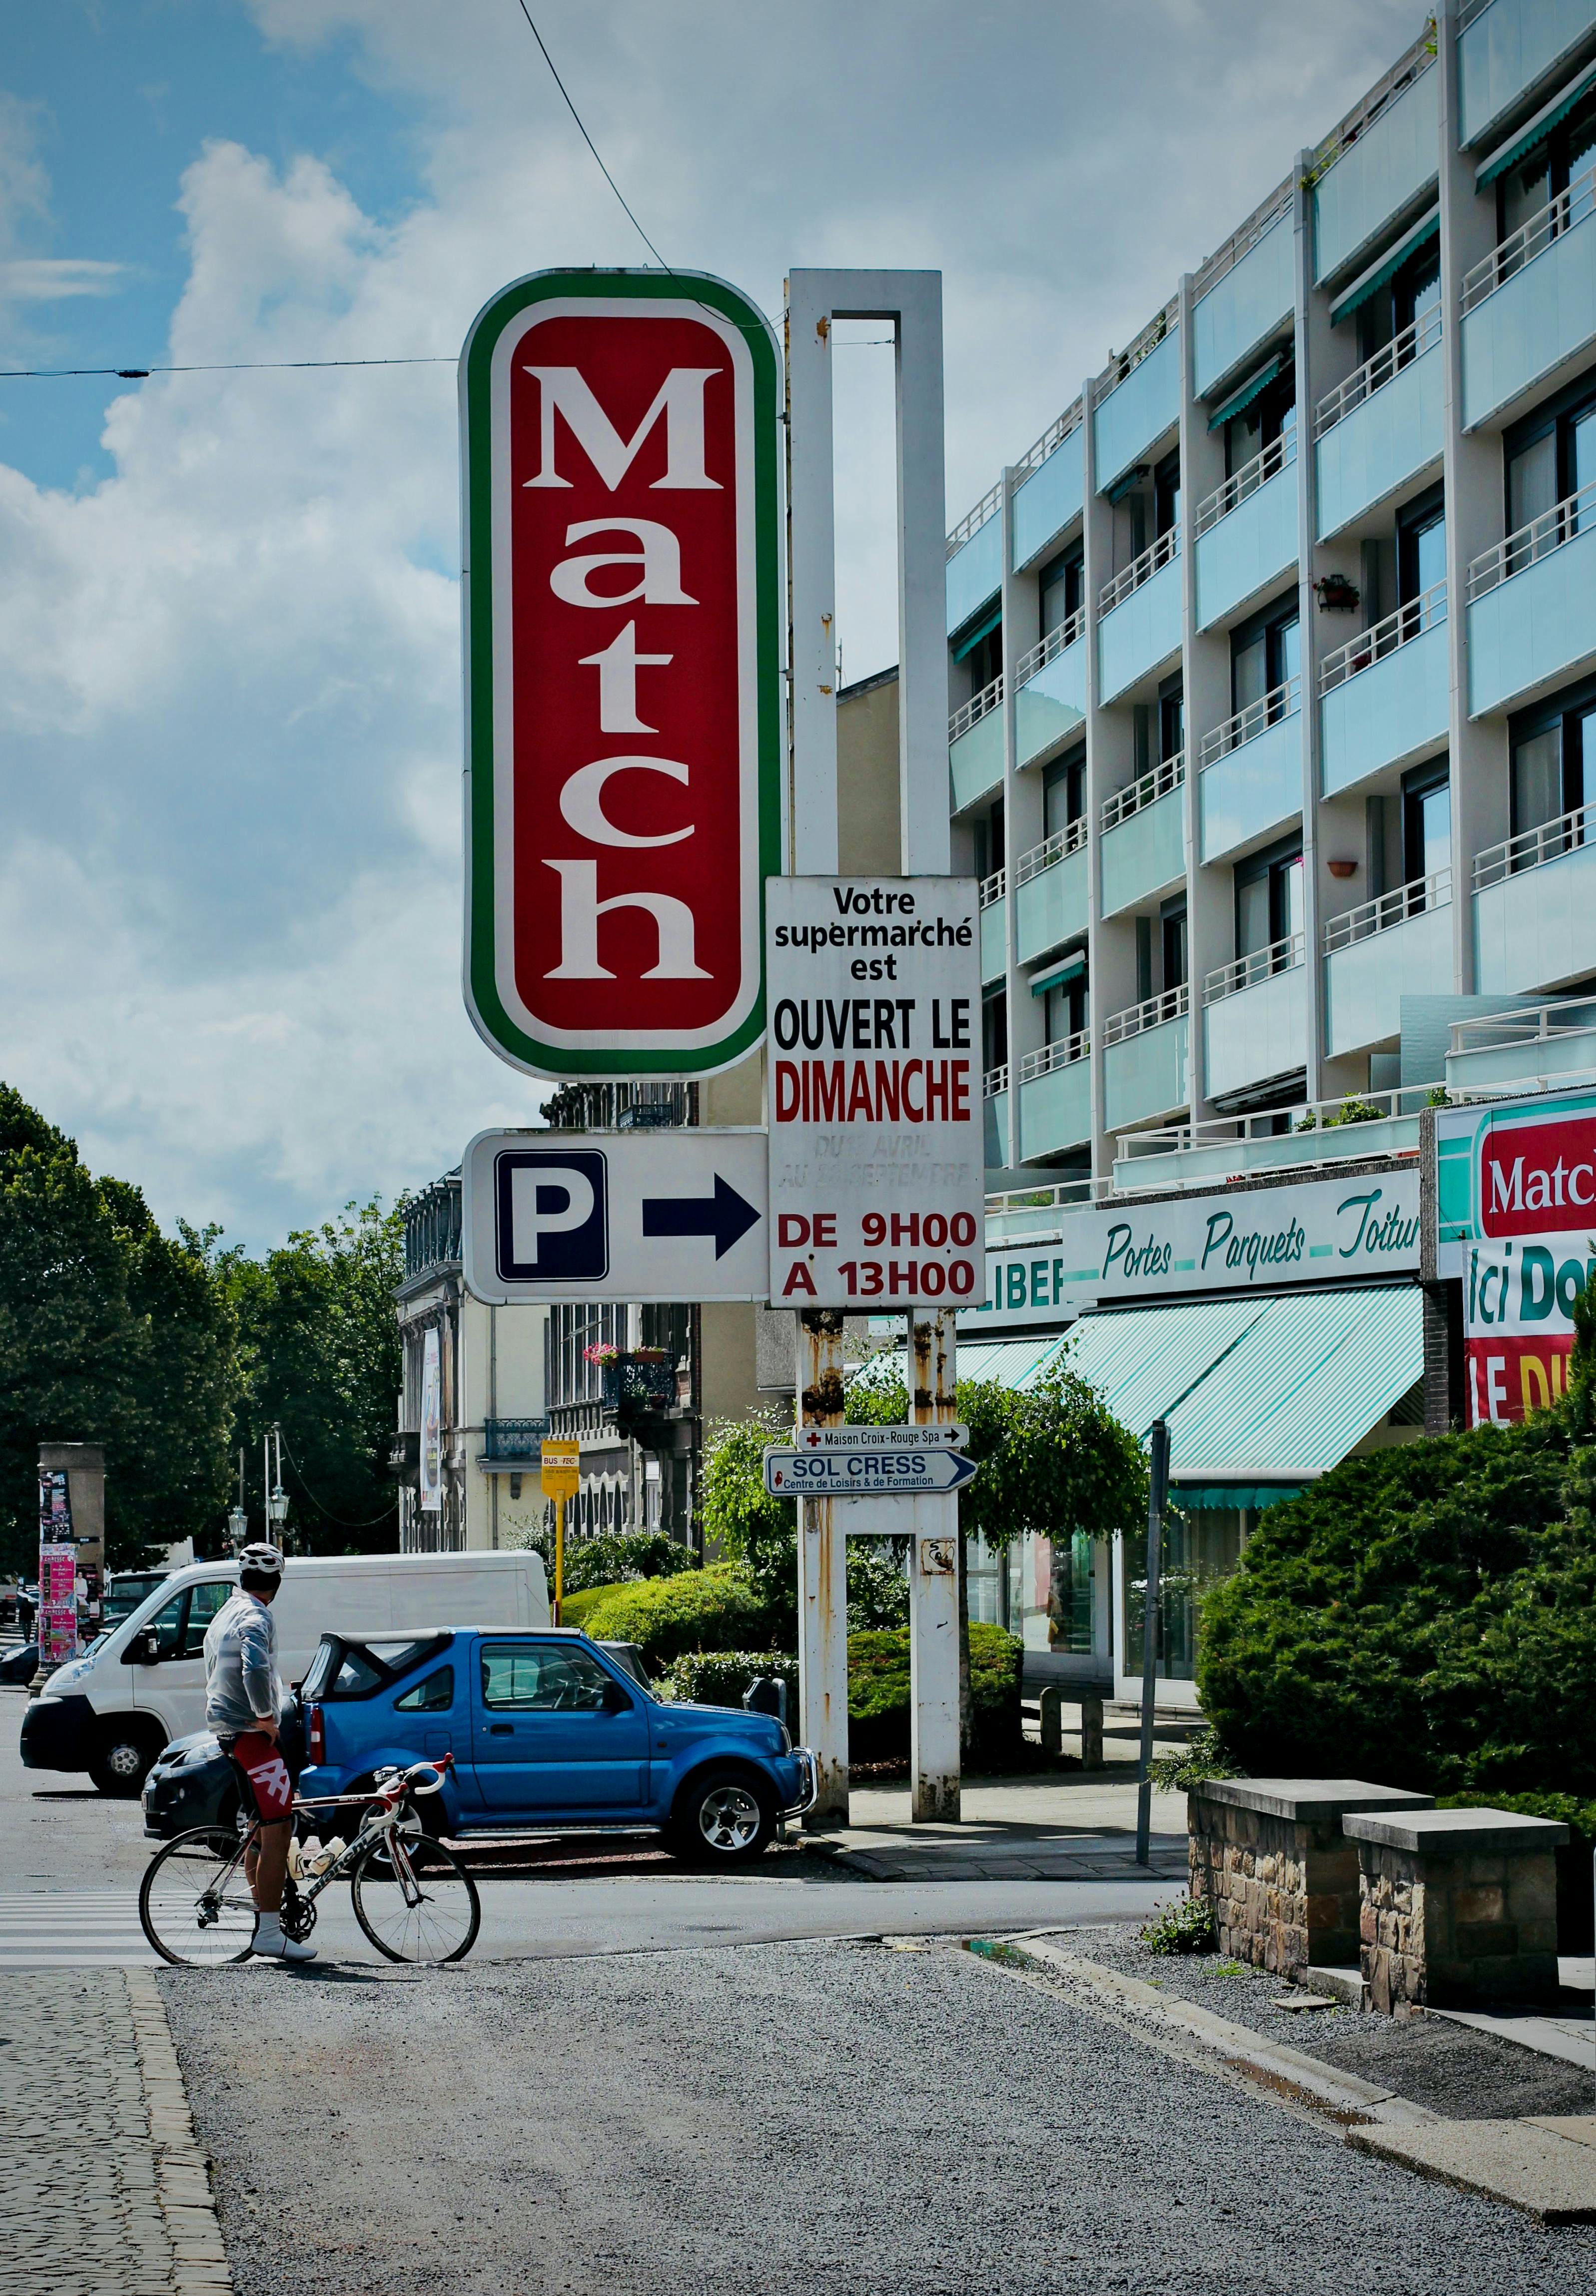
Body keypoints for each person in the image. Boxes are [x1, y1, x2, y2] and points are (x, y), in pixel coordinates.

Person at [203, 1543, 314, 1962]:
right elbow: (254, 1666)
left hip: (228, 1732)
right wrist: (267, 1716)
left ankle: (264, 1919)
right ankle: (269, 1931)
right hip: (251, 1734)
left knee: (258, 1828)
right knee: (279, 1829)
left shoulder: (226, 1610)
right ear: (277, 1583)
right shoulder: (256, 1614)